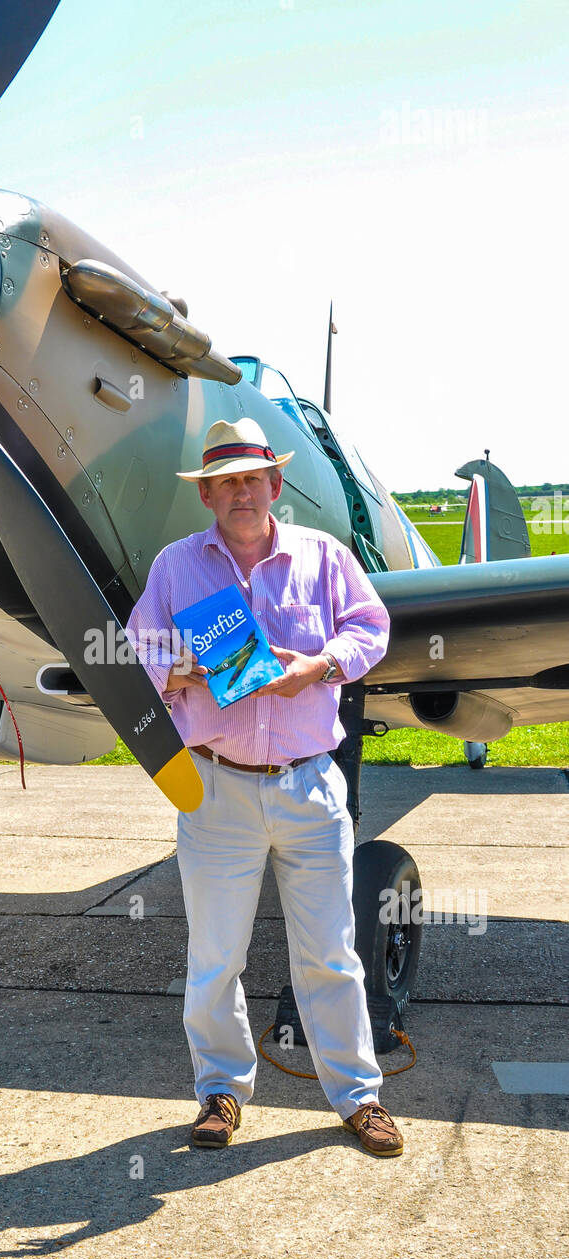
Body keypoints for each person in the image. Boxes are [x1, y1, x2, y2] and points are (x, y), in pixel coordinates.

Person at [127, 417, 403, 1157]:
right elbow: (136, 648)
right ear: (208, 496)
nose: (241, 492)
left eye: (253, 478)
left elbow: (369, 628)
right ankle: (219, 1091)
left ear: (274, 487)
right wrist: (183, 670)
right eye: (225, 482)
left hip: (309, 786)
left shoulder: (324, 556)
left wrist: (318, 667)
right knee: (216, 955)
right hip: (215, 788)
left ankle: (357, 1097)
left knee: (331, 954)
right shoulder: (175, 567)